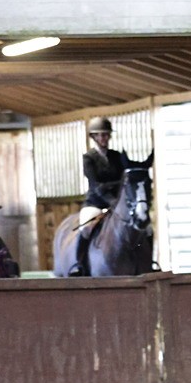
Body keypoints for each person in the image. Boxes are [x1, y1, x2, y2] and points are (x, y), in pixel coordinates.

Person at [71, 116, 126, 276]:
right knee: (85, 227)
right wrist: (112, 198)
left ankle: (147, 261)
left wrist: (116, 197)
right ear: (94, 137)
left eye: (106, 134)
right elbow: (96, 185)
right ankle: (78, 264)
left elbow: (124, 181)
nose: (103, 138)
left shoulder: (117, 156)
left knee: (146, 228)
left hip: (117, 203)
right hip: (96, 203)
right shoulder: (89, 158)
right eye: (99, 135)